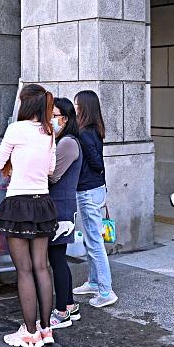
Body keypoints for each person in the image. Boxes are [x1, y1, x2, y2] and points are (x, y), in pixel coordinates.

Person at [0, 84, 58, 347]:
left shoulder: (15, 129)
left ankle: (29, 332)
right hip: (42, 202)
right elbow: (51, 169)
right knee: (42, 267)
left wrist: (13, 162)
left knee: (24, 270)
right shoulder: (49, 132)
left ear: (25, 104)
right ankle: (46, 329)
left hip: (18, 202)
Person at [72, 90, 118, 308]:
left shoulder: (84, 133)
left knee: (94, 242)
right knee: (92, 239)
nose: (75, 108)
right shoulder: (95, 130)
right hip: (96, 188)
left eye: (77, 105)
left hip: (88, 190)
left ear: (84, 108)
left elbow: (96, 162)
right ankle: (93, 281)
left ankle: (106, 291)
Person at [47, 97, 82, 330]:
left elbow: (53, 176)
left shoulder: (68, 143)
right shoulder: (62, 141)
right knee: (58, 258)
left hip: (60, 207)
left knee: (57, 258)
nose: (51, 119)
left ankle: (61, 312)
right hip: (61, 205)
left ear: (66, 118)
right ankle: (68, 304)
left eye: (55, 115)